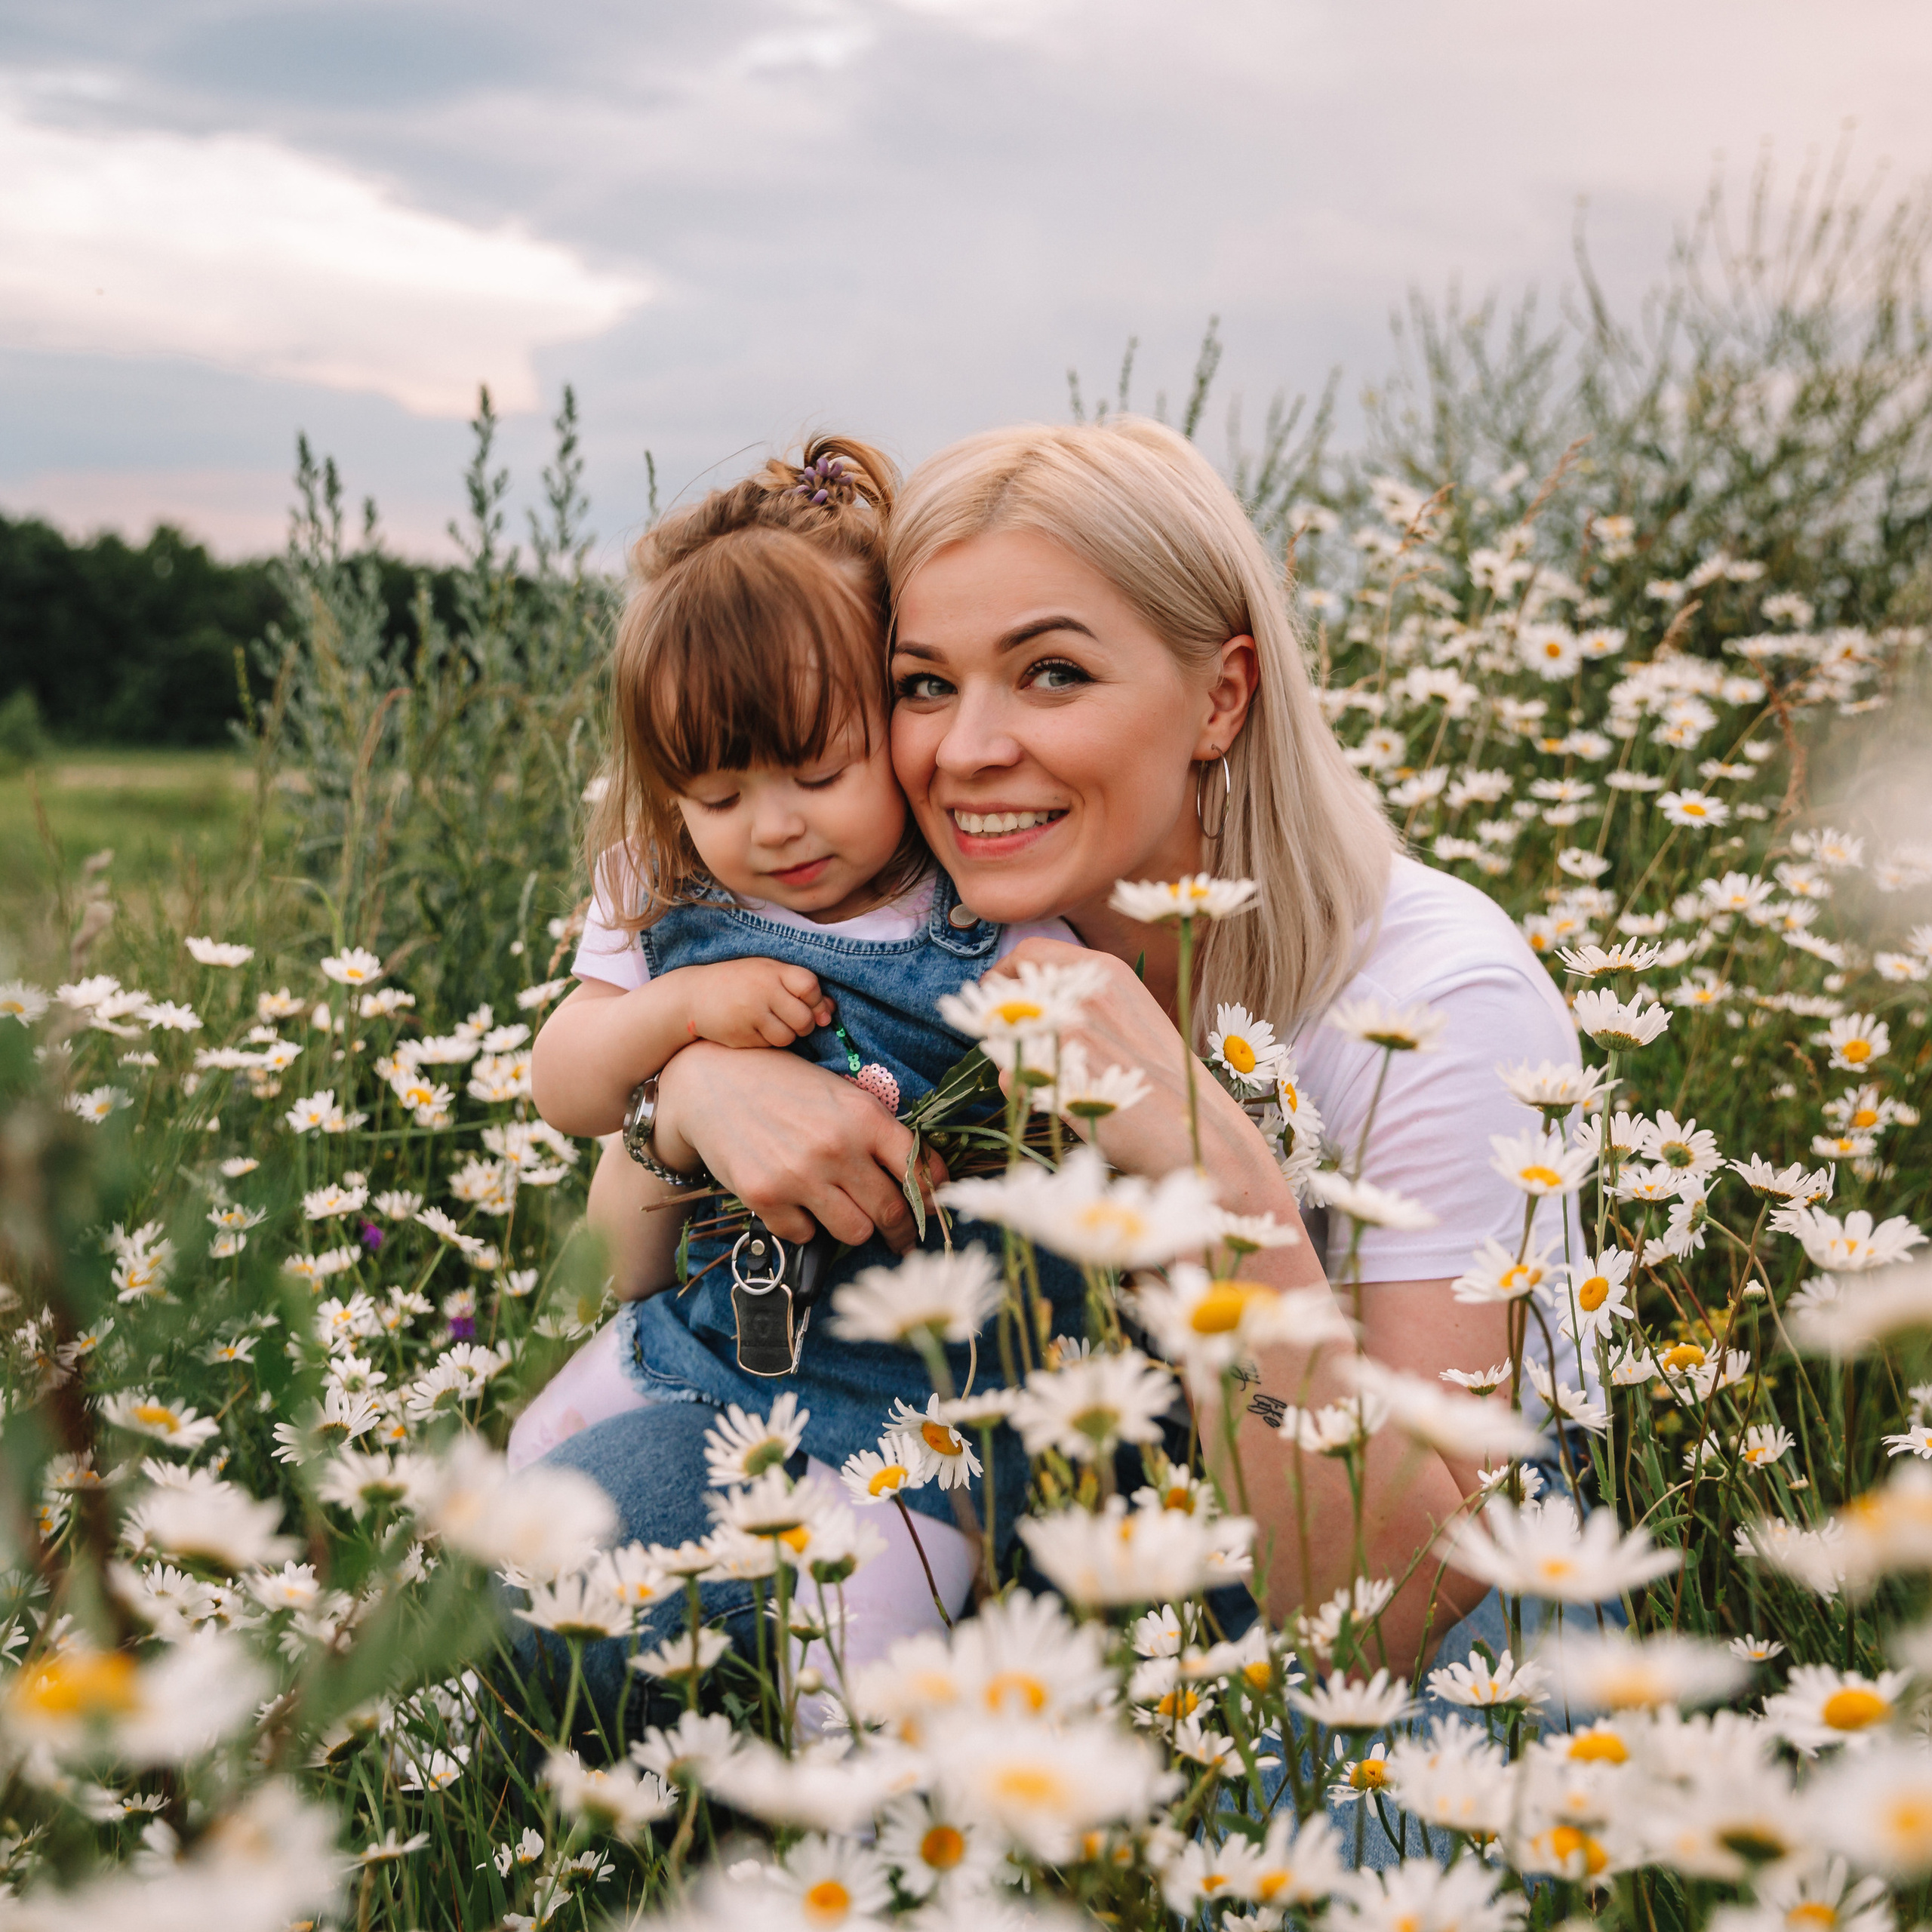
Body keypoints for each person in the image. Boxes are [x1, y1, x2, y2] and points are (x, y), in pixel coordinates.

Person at [632, 417, 1586, 1680]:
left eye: (1052, 676)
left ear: (1221, 697)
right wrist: (690, 1090)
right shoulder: (924, 926)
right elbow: (625, 1271)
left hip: (1418, 1603)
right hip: (1050, 1513)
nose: (966, 749)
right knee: (605, 1575)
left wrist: (1226, 1189)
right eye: (925, 684)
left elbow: (1390, 1624)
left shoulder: (1436, 1004)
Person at [520, 437, 1075, 1703]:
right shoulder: (667, 893)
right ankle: (440, 1744)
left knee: (859, 1668)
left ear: (898, 709)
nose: (773, 827)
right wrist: (682, 1018)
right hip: (702, 1339)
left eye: (820, 773)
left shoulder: (992, 922)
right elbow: (567, 1084)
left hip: (916, 1412)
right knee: (528, 1471)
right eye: (714, 794)